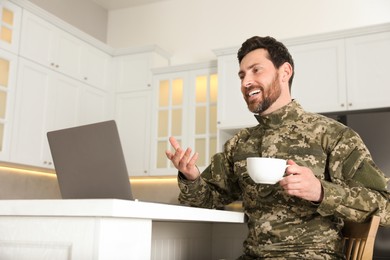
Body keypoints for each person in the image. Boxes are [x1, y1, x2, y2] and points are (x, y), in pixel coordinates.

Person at [165, 36, 390, 259]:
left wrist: (321, 192)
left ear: (285, 72)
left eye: (256, 70)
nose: (245, 82)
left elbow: (386, 205)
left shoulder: (333, 135)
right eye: (242, 75)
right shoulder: (239, 143)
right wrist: (191, 177)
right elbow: (205, 202)